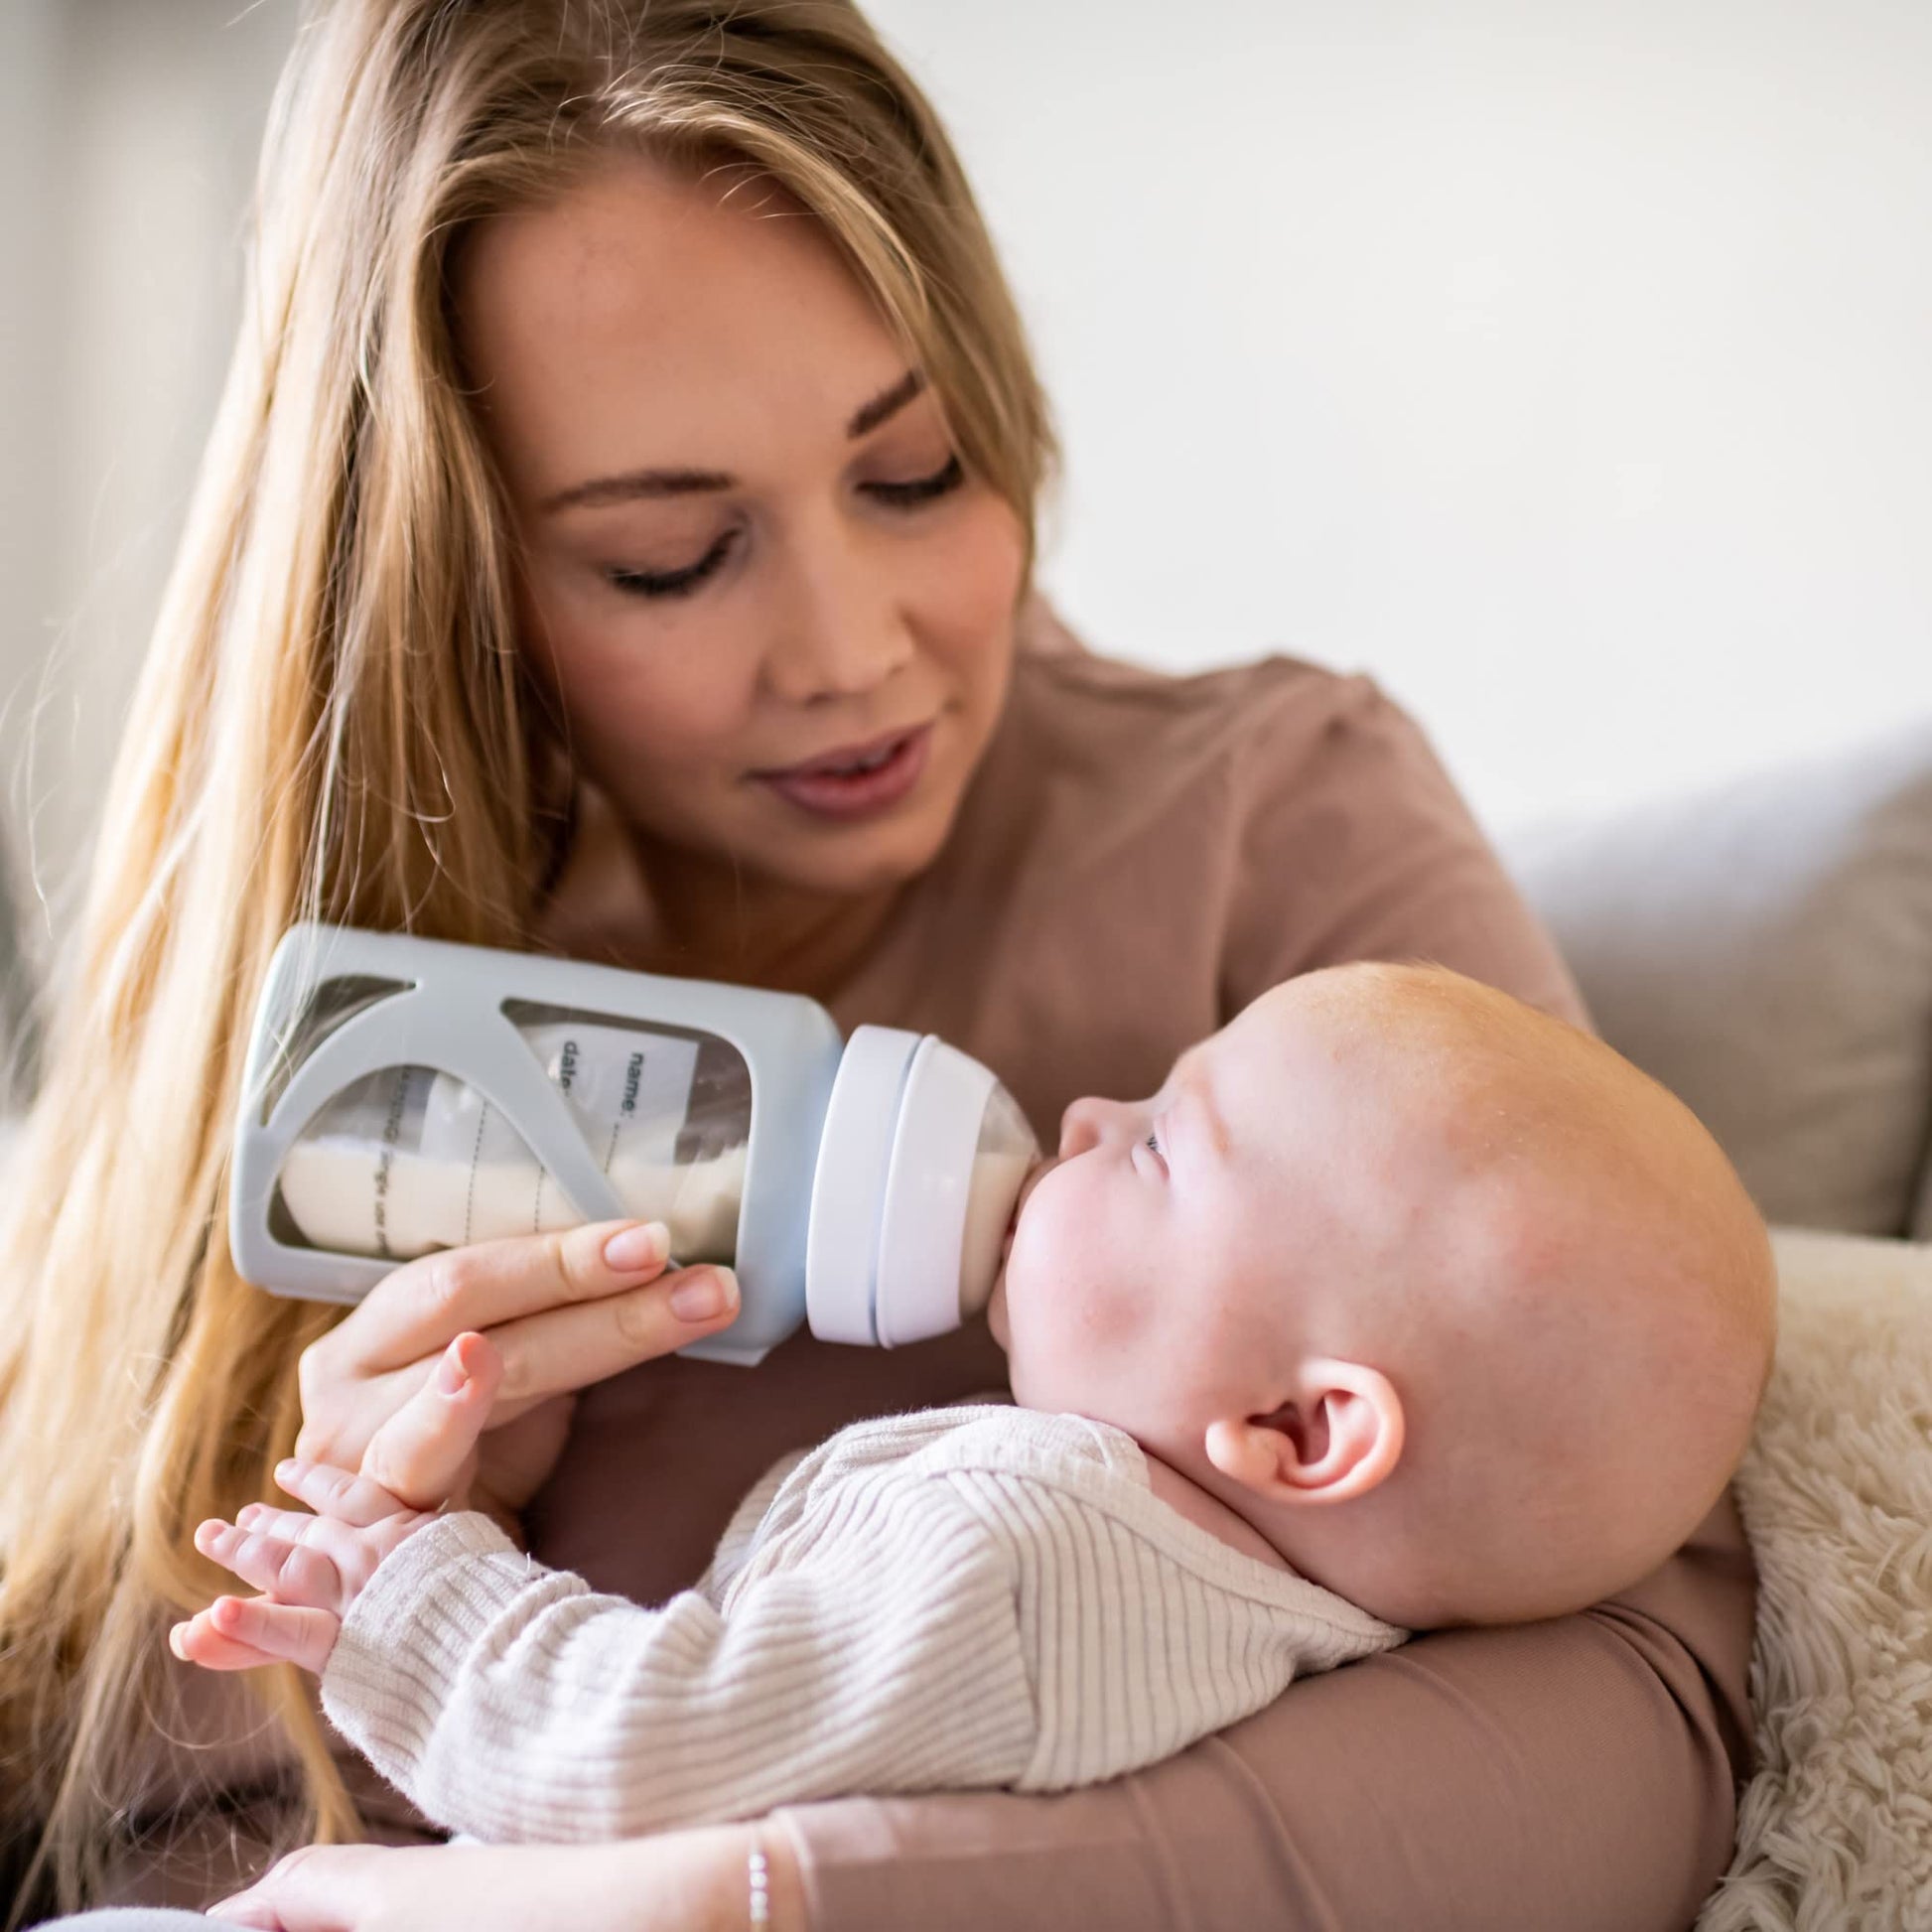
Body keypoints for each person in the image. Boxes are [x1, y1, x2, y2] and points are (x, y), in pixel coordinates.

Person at [0, 2, 1758, 1928]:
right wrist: (437, 1529)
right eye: (670, 555)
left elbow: (1644, 1711)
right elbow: (94, 1798)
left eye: (912, 469)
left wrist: (738, 1898)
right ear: (450, 564)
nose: (849, 651)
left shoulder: (1265, 824)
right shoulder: (355, 1031)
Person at [169, 965, 1774, 1864]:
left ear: (1295, 1430)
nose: (1084, 1113)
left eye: (1159, 1146)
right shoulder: (1200, 1607)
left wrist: (414, 1586)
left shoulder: (1028, 1559)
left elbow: (643, 1754)